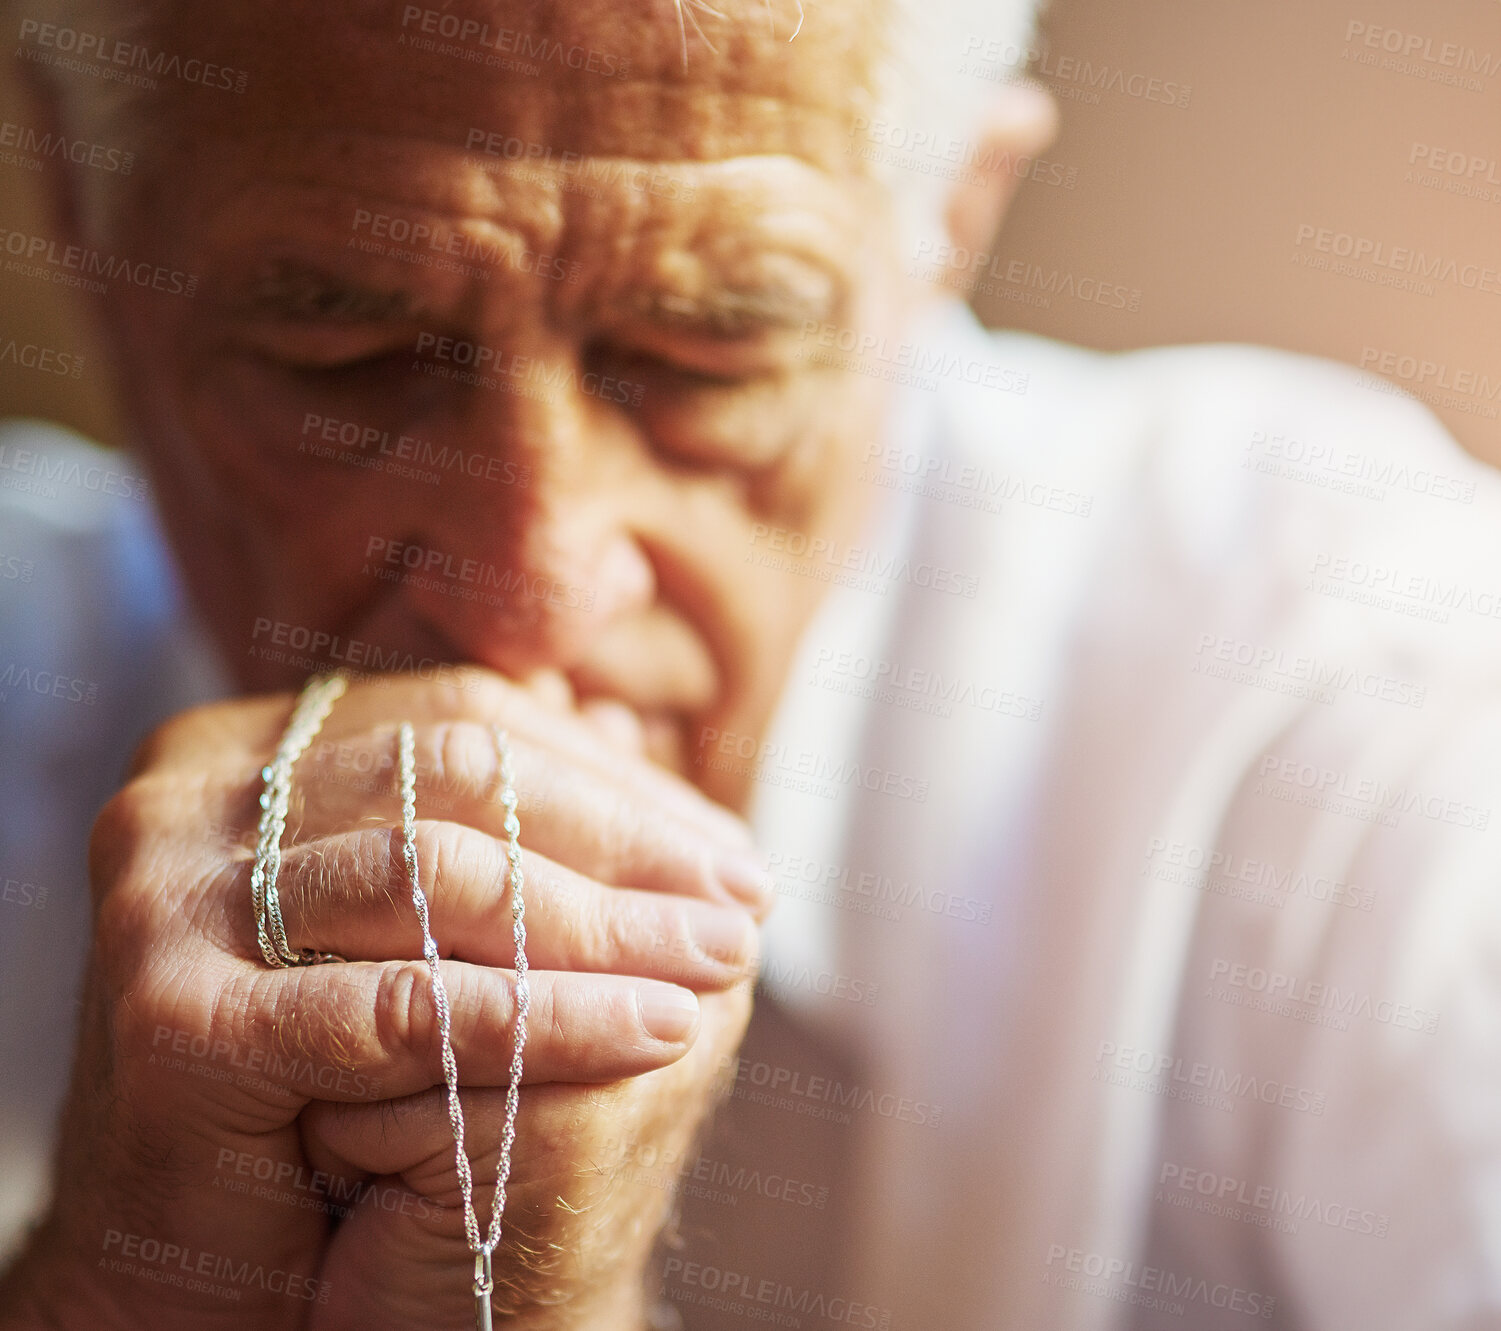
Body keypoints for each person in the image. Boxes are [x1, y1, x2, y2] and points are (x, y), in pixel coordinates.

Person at [2, 1, 1500, 1328]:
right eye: (349, 355)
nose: (532, 596)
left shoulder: (1356, 705)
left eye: (706, 354)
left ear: (946, 227)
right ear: (83, 212)